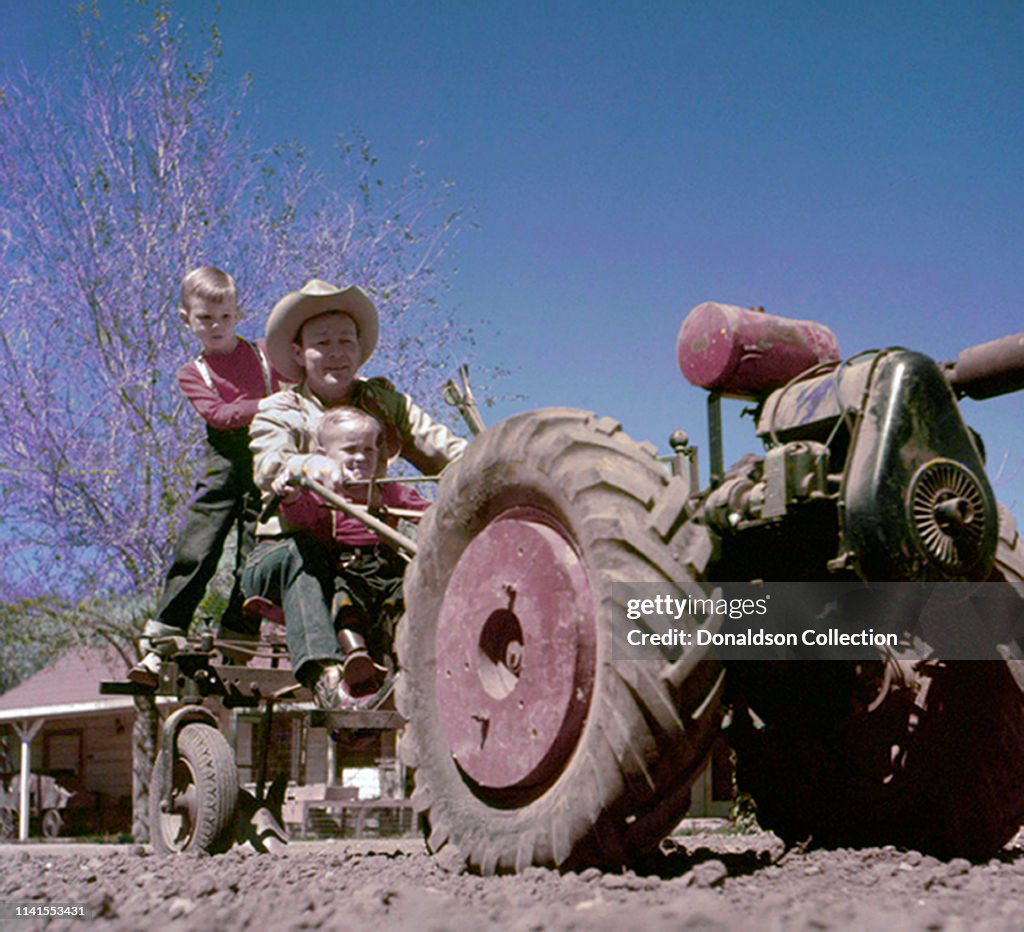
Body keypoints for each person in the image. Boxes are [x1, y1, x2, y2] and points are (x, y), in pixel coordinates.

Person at [242, 279, 467, 710]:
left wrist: (497, 463)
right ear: (297, 354)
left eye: (346, 340)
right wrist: (310, 465)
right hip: (287, 554)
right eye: (321, 342)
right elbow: (271, 461)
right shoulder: (279, 410)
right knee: (302, 553)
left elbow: (444, 448)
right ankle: (326, 677)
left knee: (424, 554)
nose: (336, 351)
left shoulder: (383, 400)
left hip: (363, 553)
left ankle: (431, 669)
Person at [128, 266, 281, 687]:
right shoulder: (192, 372)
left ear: (238, 313)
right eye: (204, 319)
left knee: (258, 547)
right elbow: (218, 414)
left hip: (269, 456)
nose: (215, 327)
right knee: (199, 544)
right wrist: (272, 404)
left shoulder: (268, 353)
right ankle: (164, 635)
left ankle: (238, 638)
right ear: (186, 319)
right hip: (225, 460)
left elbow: (302, 383)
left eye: (224, 317)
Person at [279, 406, 430, 688]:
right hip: (347, 568)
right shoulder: (320, 493)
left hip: (388, 566)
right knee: (344, 602)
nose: (360, 458)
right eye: (349, 450)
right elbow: (302, 518)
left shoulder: (391, 491)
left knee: (406, 598)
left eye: (369, 450)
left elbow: (428, 512)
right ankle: (355, 654)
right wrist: (290, 499)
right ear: (324, 456)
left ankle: (404, 656)